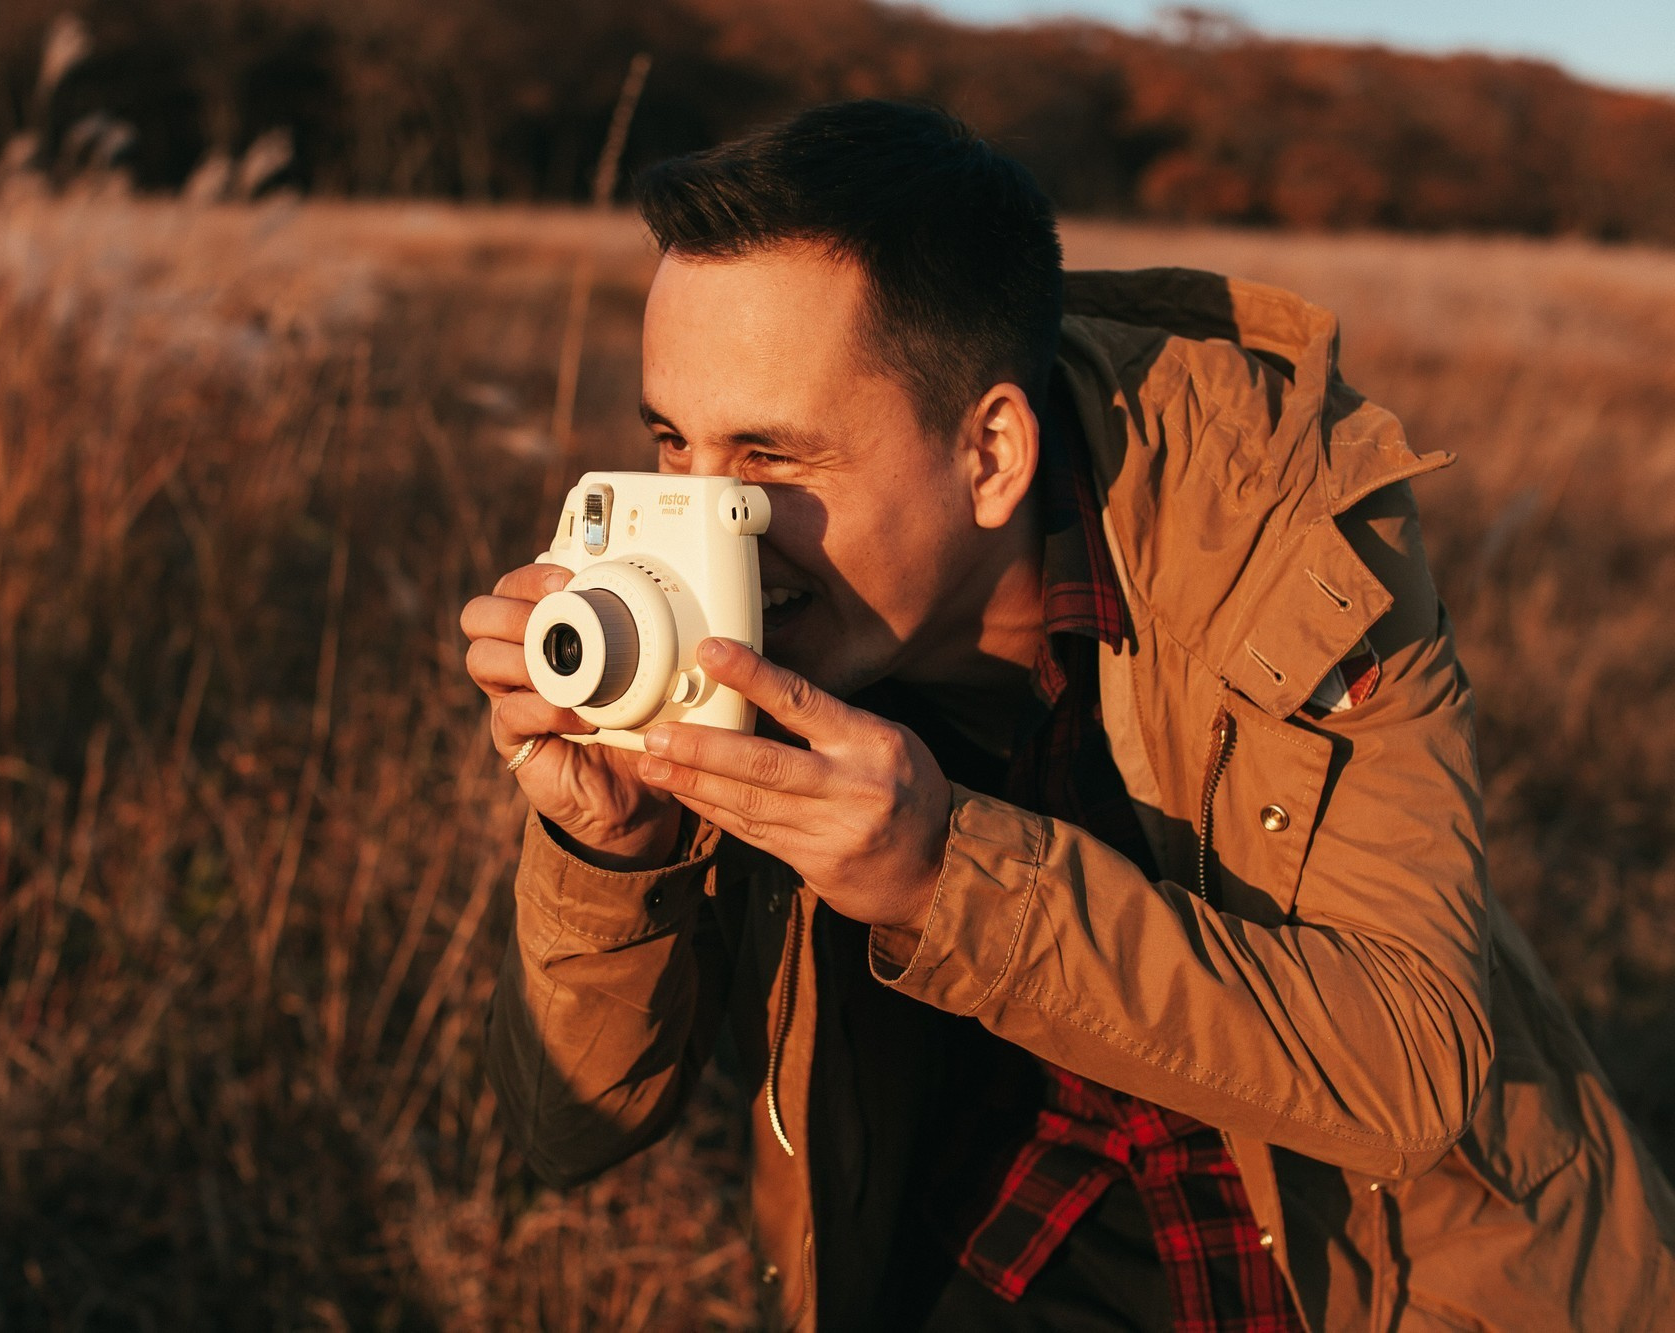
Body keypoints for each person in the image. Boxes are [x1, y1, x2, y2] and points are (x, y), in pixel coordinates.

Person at [459, 100, 1675, 1330]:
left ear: (991, 452)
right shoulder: (705, 629)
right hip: (993, 1244)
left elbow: (1410, 1071)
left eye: (772, 460)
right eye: (672, 442)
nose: (705, 512)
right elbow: (572, 1133)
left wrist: (942, 878)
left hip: (1372, 1270)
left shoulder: (1277, 522)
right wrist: (609, 853)